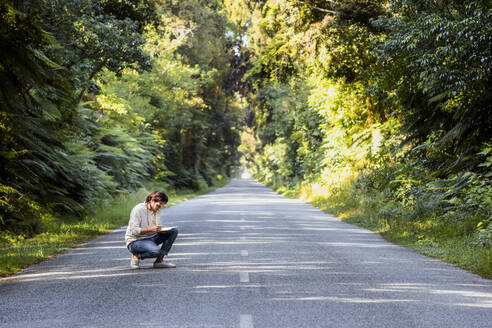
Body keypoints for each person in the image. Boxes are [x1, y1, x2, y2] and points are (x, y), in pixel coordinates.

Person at [125, 191, 178, 269]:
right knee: (156, 251)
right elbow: (134, 231)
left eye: (161, 206)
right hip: (136, 241)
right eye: (158, 205)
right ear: (152, 201)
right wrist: (151, 229)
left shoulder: (157, 210)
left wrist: (161, 230)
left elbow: (155, 225)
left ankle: (159, 261)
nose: (160, 208)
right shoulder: (138, 209)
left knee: (174, 231)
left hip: (152, 237)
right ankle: (136, 256)